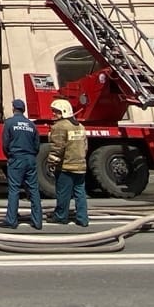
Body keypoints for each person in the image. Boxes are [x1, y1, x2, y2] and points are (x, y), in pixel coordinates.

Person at [44, 97, 90, 228]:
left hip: (66, 167)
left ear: (64, 111)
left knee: (63, 194)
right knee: (80, 193)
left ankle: (61, 217)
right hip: (80, 166)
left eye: (56, 111)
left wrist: (51, 163)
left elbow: (57, 147)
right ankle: (83, 219)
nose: (53, 114)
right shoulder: (80, 126)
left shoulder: (59, 126)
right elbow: (85, 146)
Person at [0, 96, 42, 230]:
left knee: (14, 190)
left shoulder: (9, 123)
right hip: (30, 159)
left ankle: (11, 220)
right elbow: (37, 145)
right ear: (23, 110)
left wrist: (10, 156)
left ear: (13, 109)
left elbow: (5, 143)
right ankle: (37, 221)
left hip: (16, 158)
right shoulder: (31, 125)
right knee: (34, 190)